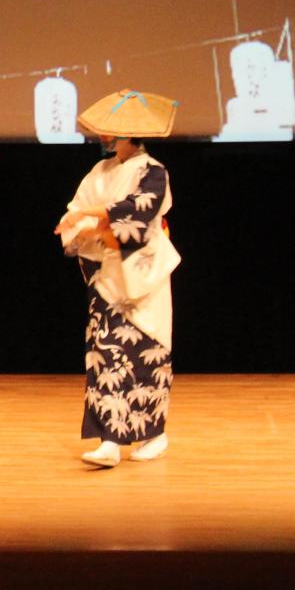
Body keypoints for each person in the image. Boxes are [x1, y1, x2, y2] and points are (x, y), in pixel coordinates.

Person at [56, 90, 180, 468]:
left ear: (129, 135)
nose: (103, 138)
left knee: (147, 350)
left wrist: (91, 221)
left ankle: (154, 433)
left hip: (143, 272)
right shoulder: (101, 171)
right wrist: (84, 225)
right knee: (105, 354)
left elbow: (136, 215)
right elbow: (75, 213)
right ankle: (109, 440)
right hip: (108, 272)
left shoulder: (153, 170)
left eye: (111, 132)